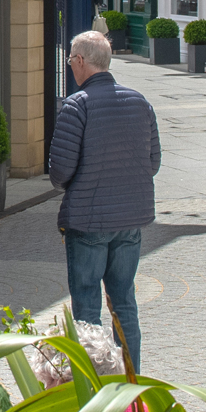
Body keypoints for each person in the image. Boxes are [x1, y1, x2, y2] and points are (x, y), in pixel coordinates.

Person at [47, 30, 160, 371]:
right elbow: (152, 162)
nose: (70, 67)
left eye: (70, 61)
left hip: (88, 220)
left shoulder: (77, 105)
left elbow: (60, 171)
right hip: (130, 220)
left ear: (81, 60)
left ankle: (94, 382)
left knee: (86, 306)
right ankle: (132, 382)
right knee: (124, 302)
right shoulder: (139, 101)